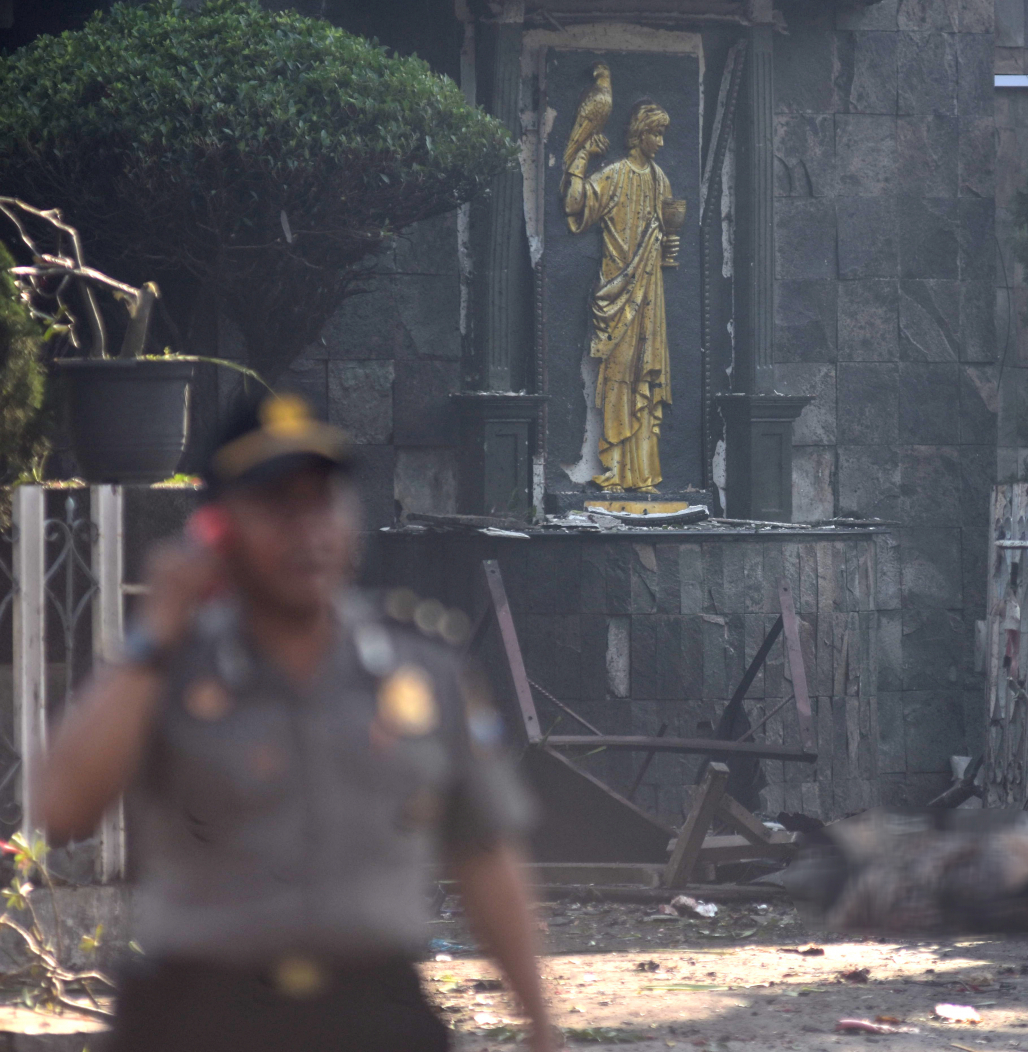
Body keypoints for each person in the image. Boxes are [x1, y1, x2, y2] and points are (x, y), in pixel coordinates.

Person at [35, 392, 557, 1052]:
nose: (307, 530)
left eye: (322, 500)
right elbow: (60, 808)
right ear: (218, 527)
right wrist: (154, 637)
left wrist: (543, 1028)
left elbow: (486, 856)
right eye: (277, 505)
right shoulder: (169, 672)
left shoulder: (423, 671)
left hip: (376, 1016)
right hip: (198, 1018)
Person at [563, 97, 675, 494]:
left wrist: (665, 245)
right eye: (655, 134)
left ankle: (641, 472)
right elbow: (576, 204)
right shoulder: (614, 175)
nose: (660, 142)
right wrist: (579, 161)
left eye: (663, 134)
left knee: (645, 371)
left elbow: (667, 233)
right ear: (638, 134)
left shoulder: (661, 180)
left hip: (650, 292)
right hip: (617, 290)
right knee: (617, 374)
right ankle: (613, 466)